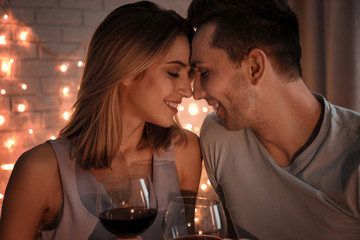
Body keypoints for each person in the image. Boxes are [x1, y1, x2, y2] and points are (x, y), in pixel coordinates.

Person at [0, 1, 202, 239]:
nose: (187, 91)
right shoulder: (40, 170)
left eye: (187, 74)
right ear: (127, 71)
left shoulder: (185, 151)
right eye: (173, 72)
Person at [187, 0, 360, 239]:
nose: (196, 93)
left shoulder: (354, 153)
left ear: (255, 67)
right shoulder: (217, 135)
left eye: (204, 72)